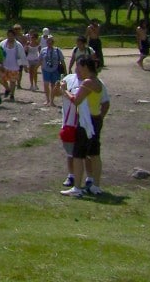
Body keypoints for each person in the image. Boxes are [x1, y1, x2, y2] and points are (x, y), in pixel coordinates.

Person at [61, 57, 103, 197]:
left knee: (78, 155)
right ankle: (96, 186)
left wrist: (64, 91)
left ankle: (77, 188)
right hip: (96, 119)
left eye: (79, 67)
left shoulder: (87, 82)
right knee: (95, 154)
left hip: (86, 122)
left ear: (86, 67)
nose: (77, 70)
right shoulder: (98, 82)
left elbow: (76, 100)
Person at [0, 27, 27, 101]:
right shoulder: (3, 43)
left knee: (13, 81)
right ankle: (7, 89)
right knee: (1, 79)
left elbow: (22, 55)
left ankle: (12, 95)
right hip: (4, 66)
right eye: (9, 35)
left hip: (14, 66)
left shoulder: (18, 45)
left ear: (14, 36)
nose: (10, 37)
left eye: (12, 35)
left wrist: (25, 66)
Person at [39, 35, 65, 107]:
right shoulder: (43, 50)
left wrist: (65, 70)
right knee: (46, 84)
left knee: (53, 85)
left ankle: (52, 100)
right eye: (48, 42)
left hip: (55, 70)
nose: (49, 43)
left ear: (53, 42)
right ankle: (47, 99)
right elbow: (40, 59)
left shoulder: (57, 50)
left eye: (51, 42)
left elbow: (62, 60)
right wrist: (38, 67)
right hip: (46, 69)